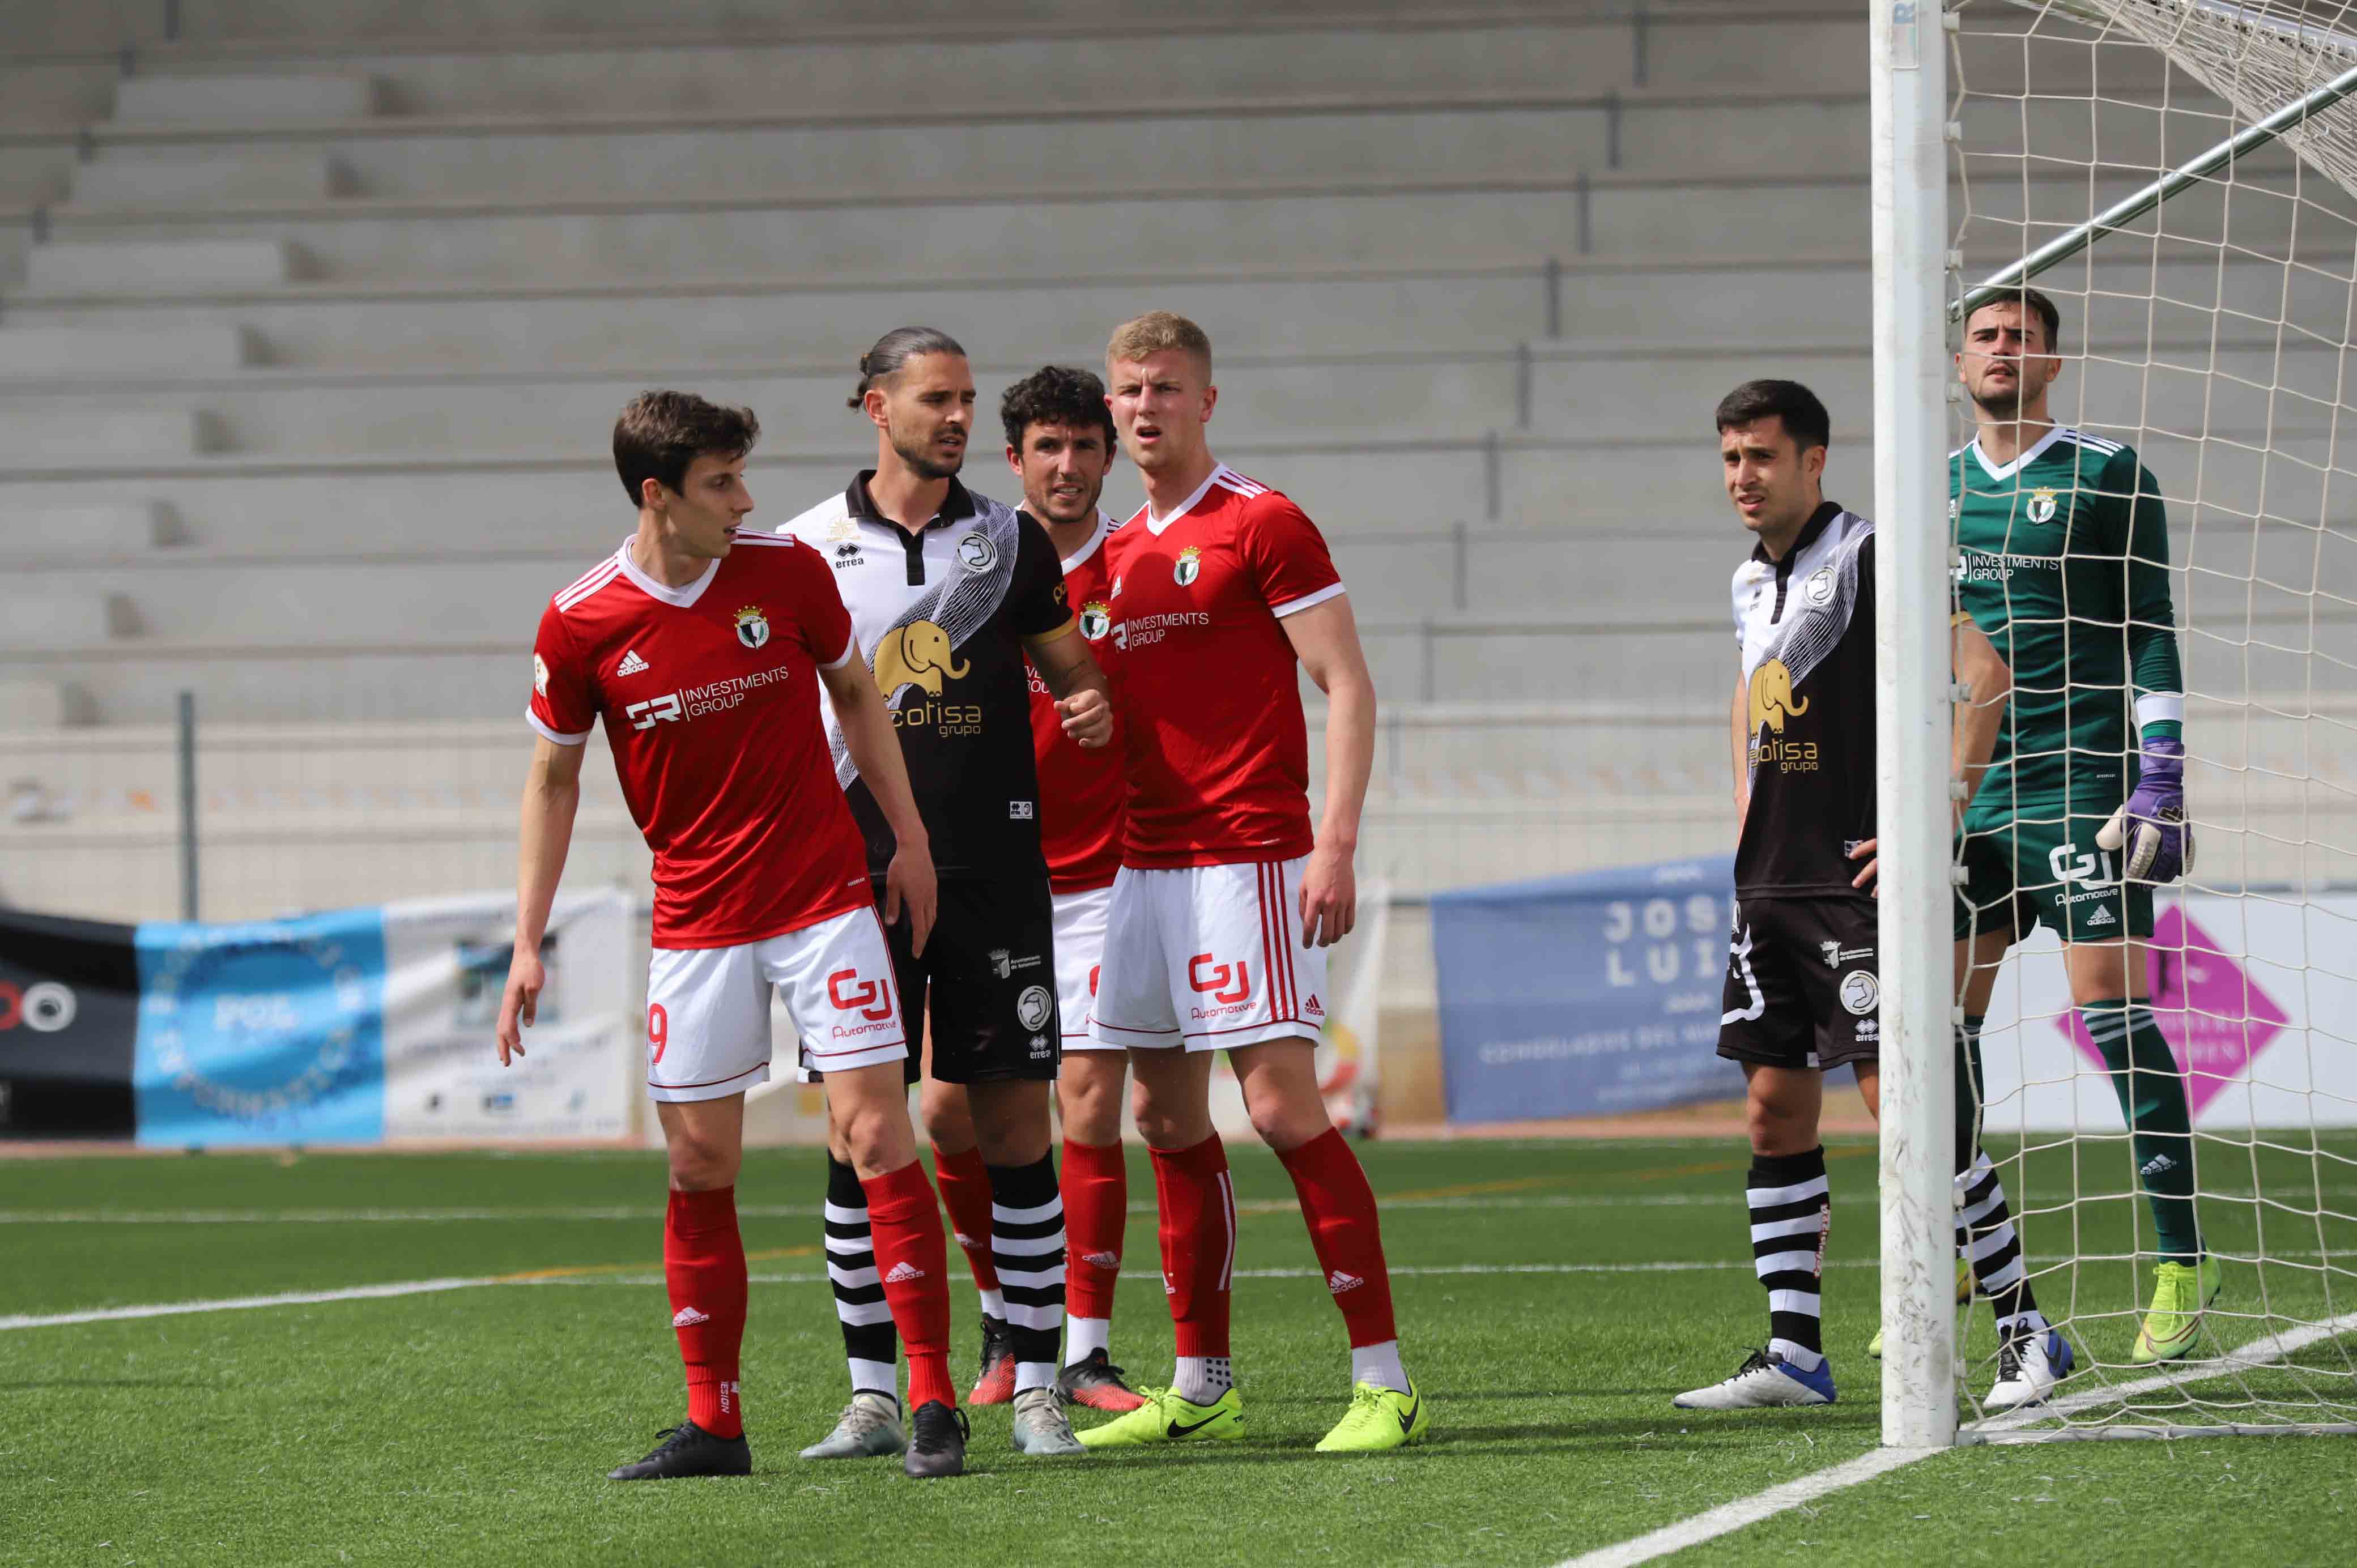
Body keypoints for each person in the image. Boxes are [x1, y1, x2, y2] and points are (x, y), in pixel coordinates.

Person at [498, 390, 968, 1480]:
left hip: (823, 905)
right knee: (700, 1163)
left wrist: (909, 837)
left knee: (874, 1135)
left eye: (742, 478)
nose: (745, 501)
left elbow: (858, 695)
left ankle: (933, 1399)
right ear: (657, 494)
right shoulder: (581, 620)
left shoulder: (786, 573)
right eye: (721, 484)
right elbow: (553, 778)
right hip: (698, 923)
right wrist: (530, 938)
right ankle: (716, 1423)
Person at [1672, 380, 2068, 1414]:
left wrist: (1936, 808)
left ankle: (2029, 1330)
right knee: (1771, 1111)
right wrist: (1748, 812)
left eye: (1761, 457)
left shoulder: (1874, 555)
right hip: (1771, 886)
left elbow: (1982, 671)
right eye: (1728, 459)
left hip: (1856, 890)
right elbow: (1751, 698)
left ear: (1814, 459)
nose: (1742, 478)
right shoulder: (1750, 583)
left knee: (1911, 1118)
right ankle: (1796, 1354)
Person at [1075, 310, 1424, 1454]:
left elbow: (1348, 685)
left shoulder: (1261, 521)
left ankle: (1384, 1380)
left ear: (1206, 401)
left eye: (1165, 388)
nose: (1142, 407)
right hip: (1145, 864)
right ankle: (1201, 1377)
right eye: (1128, 390)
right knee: (1162, 1114)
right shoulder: (1118, 550)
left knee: (1278, 1105)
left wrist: (1335, 842)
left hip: (1249, 857)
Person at [778, 329, 1113, 1462]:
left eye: (968, 398)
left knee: (1019, 1126)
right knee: (855, 1131)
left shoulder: (1009, 537)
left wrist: (1086, 703)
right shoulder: (804, 549)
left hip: (997, 871)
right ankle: (873, 1394)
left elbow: (1068, 666)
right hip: (850, 881)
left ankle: (1032, 1387)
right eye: (937, 398)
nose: (958, 415)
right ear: (876, 405)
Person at [1951, 287, 2214, 1365]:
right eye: (1987, 337)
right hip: (1980, 791)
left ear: (2052, 359)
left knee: (2108, 1007)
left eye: (2023, 336)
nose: (2004, 351)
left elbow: (2149, 624)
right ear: (1960, 360)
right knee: (1936, 1026)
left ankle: (2180, 1264)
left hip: (2087, 787)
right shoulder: (1939, 488)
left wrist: (2163, 770)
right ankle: (1962, 1266)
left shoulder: (2109, 473)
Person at [999, 364, 1148, 1413]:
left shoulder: (1137, 565)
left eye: (1084, 446)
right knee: (956, 1120)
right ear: (1015, 458)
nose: (1067, 466)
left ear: (1109, 454)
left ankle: (1086, 1352)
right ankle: (1010, 1332)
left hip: (1105, 875)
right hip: (987, 877)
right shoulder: (973, 565)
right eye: (1046, 447)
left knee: (1090, 1104)